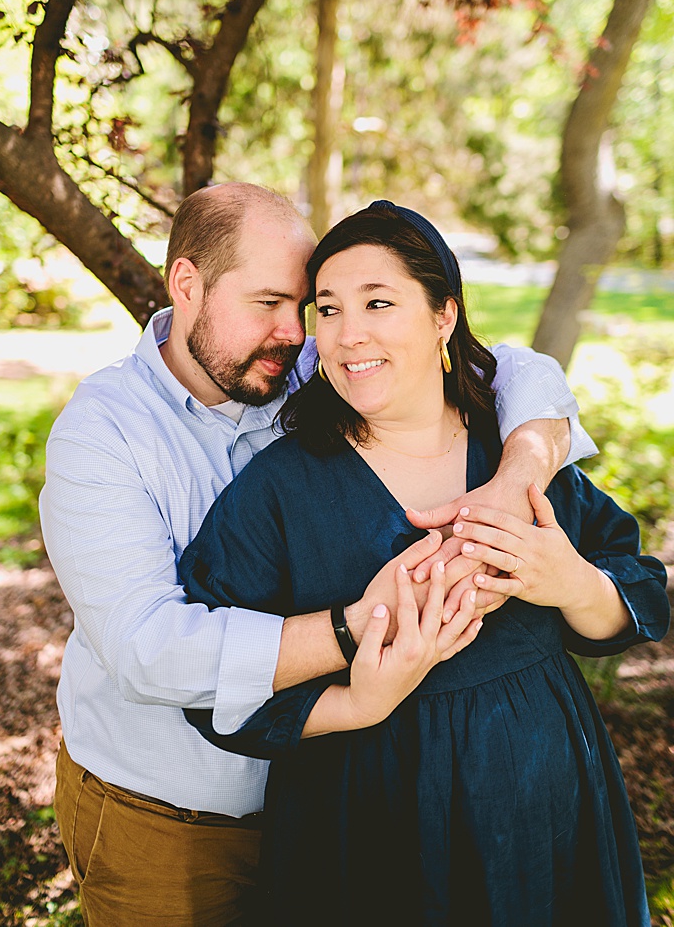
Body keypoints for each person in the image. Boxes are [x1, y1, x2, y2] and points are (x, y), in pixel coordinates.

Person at [39, 183, 598, 925]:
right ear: (187, 284)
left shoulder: (301, 368)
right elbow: (147, 649)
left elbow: (521, 373)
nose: (293, 331)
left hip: (328, 800)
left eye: (306, 308)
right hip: (172, 818)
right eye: (269, 303)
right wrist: (352, 627)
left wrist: (516, 474)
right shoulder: (102, 433)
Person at [178, 200, 668, 925]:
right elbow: (209, 675)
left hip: (545, 810)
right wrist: (351, 699)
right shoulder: (278, 489)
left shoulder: (515, 453)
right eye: (329, 309)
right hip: (366, 827)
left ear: (444, 314)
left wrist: (570, 582)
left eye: (379, 301)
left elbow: (638, 592)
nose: (350, 334)